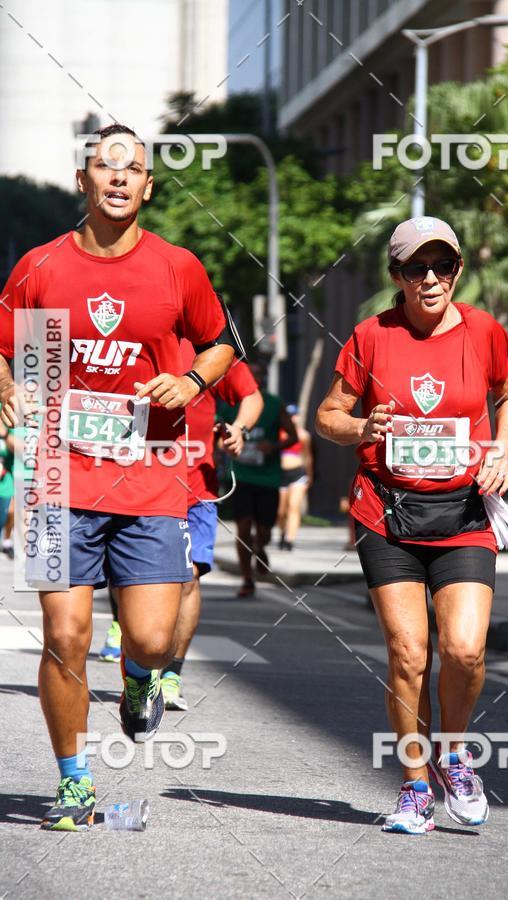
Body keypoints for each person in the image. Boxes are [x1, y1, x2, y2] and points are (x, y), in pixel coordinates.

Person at [0, 124, 236, 831]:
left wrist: (192, 379)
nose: (120, 178)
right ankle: (74, 782)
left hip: (151, 476)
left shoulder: (178, 268)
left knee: (154, 638)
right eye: (107, 166)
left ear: (148, 186)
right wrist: (8, 390)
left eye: (134, 169)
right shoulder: (42, 267)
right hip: (56, 473)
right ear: (84, 180)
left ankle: (139, 681)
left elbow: (224, 343)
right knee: (65, 634)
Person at [316, 215, 508, 835]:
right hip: (387, 513)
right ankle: (412, 788)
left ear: (458, 270)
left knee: (464, 649)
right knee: (409, 654)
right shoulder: (371, 336)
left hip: (463, 513)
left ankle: (455, 756)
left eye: (442, 266)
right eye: (415, 268)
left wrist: (504, 451)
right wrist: (362, 429)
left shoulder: (485, 331)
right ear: (397, 275)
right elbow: (329, 415)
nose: (430, 278)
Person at [160, 342, 263, 710]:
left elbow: (251, 397)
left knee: (187, 578)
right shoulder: (141, 335)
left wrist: (239, 430)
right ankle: (139, 667)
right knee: (141, 584)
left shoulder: (211, 351)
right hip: (143, 487)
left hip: (197, 492)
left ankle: (171, 674)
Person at [219, 361, 297, 598]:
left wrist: (272, 446)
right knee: (243, 528)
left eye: (259, 375)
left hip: (268, 479)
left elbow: (292, 436)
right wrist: (225, 445)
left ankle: (260, 547)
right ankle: (247, 579)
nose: (255, 379)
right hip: (241, 476)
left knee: (264, 530)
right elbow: (218, 431)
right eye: (251, 375)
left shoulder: (274, 404)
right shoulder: (231, 403)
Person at [277, 404, 313, 550]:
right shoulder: (278, 433)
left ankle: (290, 539)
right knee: (281, 511)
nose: (292, 418)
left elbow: (307, 457)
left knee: (294, 507)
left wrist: (310, 475)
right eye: (289, 415)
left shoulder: (303, 436)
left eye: (294, 415)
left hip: (298, 474)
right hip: (280, 475)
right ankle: (282, 532)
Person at [0, 421, 14, 558]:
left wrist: (5, 434)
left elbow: (19, 449)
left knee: (9, 512)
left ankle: (7, 541)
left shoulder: (9, 422)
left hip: (7, 476)